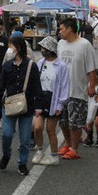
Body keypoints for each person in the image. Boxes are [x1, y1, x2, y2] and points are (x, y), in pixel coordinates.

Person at [0, 36, 43, 175]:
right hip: (9, 104)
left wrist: (39, 106)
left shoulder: (31, 65)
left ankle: (22, 163)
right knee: (6, 134)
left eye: (12, 46)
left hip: (26, 106)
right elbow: (1, 86)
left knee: (24, 139)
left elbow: (37, 87)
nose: (10, 50)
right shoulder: (7, 66)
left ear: (19, 47)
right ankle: (6, 154)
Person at [56, 17, 97, 160]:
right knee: (62, 121)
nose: (59, 31)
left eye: (61, 29)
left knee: (75, 122)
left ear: (70, 29)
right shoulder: (60, 44)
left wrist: (92, 86)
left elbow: (91, 69)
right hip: (61, 90)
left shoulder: (85, 45)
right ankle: (67, 144)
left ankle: (74, 148)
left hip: (77, 89)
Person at [32, 36, 70, 166]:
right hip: (40, 98)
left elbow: (65, 85)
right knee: (37, 127)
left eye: (44, 48)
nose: (42, 50)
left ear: (50, 49)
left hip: (54, 99)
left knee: (50, 129)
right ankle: (40, 150)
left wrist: (61, 103)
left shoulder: (61, 66)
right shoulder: (40, 63)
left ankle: (54, 155)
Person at [84, 68, 98, 147]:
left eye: (95, 76)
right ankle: (90, 139)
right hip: (90, 105)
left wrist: (96, 99)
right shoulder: (89, 85)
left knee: (97, 123)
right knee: (89, 123)